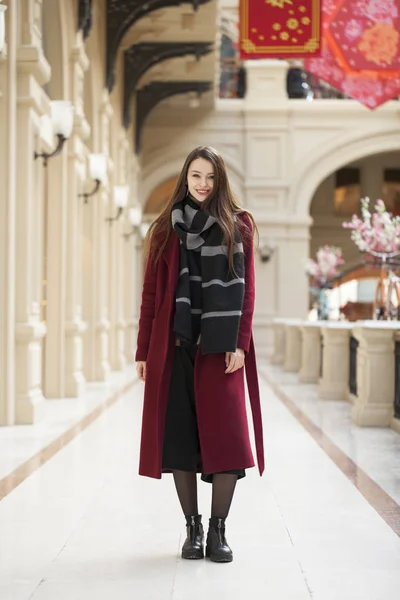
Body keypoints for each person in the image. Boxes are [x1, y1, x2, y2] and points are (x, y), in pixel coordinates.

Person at [135, 146, 264, 563]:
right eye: (195, 176)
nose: (203, 184)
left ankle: (218, 530)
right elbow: (151, 296)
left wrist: (240, 343)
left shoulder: (238, 226)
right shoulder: (165, 229)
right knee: (180, 441)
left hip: (219, 349)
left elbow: (247, 293)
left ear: (220, 180)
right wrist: (142, 350)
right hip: (175, 347)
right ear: (185, 178)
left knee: (227, 438)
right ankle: (192, 527)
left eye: (210, 176)